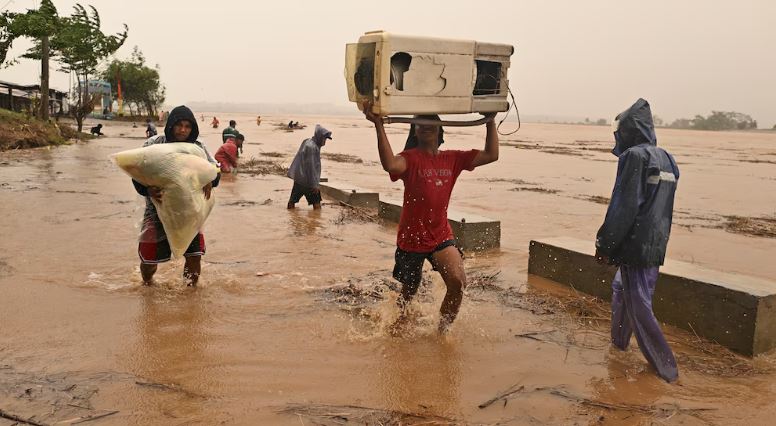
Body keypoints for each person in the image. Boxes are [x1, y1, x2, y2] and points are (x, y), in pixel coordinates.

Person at [362, 101, 499, 333]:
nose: (425, 127)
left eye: (430, 122)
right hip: (411, 239)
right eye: (420, 123)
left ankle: (441, 333)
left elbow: (491, 155)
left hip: (440, 235)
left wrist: (490, 121)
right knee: (409, 293)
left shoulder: (453, 158)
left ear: (440, 129)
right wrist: (378, 125)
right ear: (415, 130)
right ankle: (396, 328)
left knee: (458, 283)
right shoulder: (410, 158)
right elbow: (390, 164)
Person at [595, 98, 680, 383]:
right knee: (622, 289)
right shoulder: (667, 158)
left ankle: (665, 369)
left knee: (639, 304)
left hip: (635, 245)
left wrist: (604, 245)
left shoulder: (633, 157)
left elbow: (624, 206)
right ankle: (618, 345)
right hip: (656, 242)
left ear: (629, 130)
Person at [131, 105, 221, 287]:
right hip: (156, 211)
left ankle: (190, 296)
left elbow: (215, 169)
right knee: (149, 261)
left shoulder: (198, 147)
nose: (183, 130)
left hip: (190, 212)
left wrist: (211, 178)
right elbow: (136, 171)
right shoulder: (153, 144)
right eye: (179, 125)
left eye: (188, 126)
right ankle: (147, 287)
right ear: (170, 125)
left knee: (194, 257)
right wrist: (147, 190)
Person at [286, 124, 332, 210]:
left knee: (291, 202)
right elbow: (311, 167)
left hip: (299, 178)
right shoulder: (312, 148)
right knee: (317, 206)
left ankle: (292, 219)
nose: (325, 141)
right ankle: (315, 222)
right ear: (319, 137)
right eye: (324, 139)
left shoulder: (307, 141)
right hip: (309, 182)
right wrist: (314, 185)